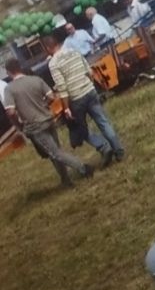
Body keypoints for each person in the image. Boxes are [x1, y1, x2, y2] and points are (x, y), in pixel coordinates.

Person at [3, 58, 94, 187]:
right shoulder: (35, 80)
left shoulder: (10, 89)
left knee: (55, 153)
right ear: (20, 67)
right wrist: (43, 105)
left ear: (8, 72)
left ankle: (83, 167)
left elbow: (11, 112)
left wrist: (19, 124)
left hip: (34, 126)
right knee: (55, 152)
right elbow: (52, 97)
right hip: (48, 119)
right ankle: (65, 180)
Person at [43, 29, 124, 166]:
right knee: (103, 121)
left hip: (76, 98)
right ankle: (119, 149)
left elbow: (62, 87)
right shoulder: (74, 51)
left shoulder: (53, 63)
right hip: (89, 90)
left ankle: (103, 147)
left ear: (48, 48)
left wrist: (66, 108)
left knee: (80, 129)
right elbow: (89, 71)